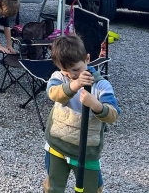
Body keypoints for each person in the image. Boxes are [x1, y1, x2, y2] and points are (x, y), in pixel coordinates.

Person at [44, 35, 119, 193]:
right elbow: (52, 94)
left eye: (76, 69)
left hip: (87, 153)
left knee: (90, 189)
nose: (72, 74)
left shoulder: (101, 85)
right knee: (53, 188)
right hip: (57, 146)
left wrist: (96, 105)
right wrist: (75, 85)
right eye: (65, 70)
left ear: (87, 59)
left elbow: (113, 115)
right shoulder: (59, 78)